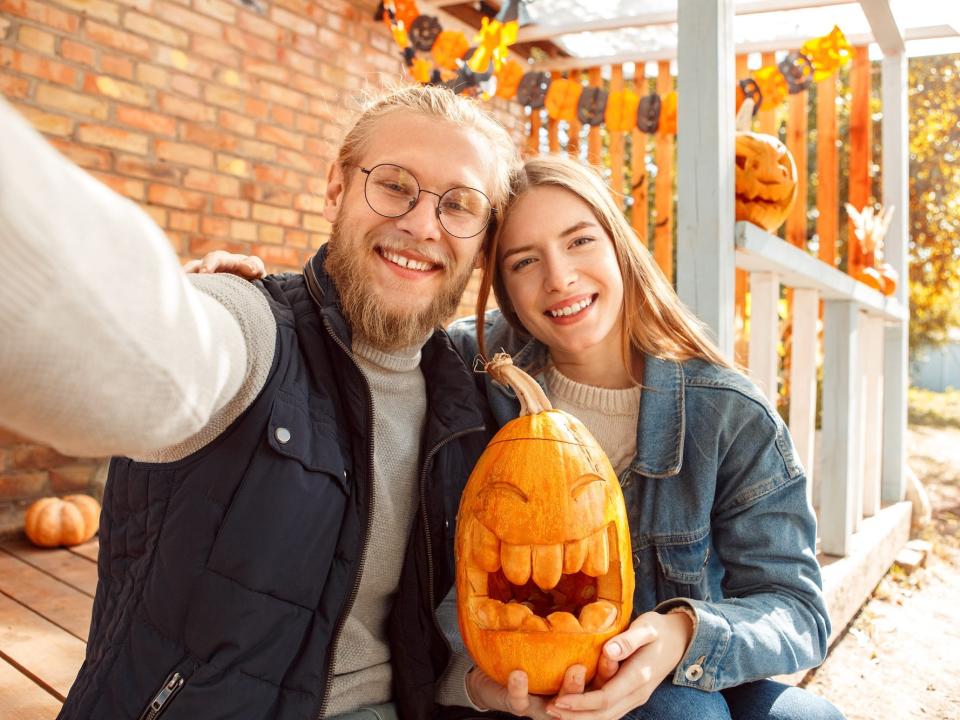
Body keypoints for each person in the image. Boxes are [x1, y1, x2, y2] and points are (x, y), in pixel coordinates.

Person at [198, 154, 845, 720]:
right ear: (501, 286)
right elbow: (360, 339)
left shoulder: (727, 413)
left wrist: (683, 632)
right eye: (524, 261)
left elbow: (797, 611)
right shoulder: (471, 377)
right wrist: (263, 306)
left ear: (620, 246)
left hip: (680, 666)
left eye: (580, 241)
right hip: (530, 684)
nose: (558, 277)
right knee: (683, 712)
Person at [0, 85, 550, 720]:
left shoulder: (473, 399)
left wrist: (478, 686)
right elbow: (152, 353)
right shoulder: (255, 326)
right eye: (395, 185)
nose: (423, 224)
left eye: (459, 205)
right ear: (335, 191)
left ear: (481, 244)